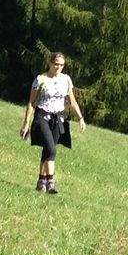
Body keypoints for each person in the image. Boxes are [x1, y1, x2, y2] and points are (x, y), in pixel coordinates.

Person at [21, 51, 86, 193]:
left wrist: (80, 118)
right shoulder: (41, 79)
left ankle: (40, 181)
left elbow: (72, 101)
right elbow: (31, 103)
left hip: (59, 119)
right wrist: (26, 124)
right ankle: (50, 181)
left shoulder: (66, 80)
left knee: (48, 149)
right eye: (56, 64)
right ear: (50, 63)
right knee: (51, 148)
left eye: (61, 65)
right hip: (42, 116)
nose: (58, 67)